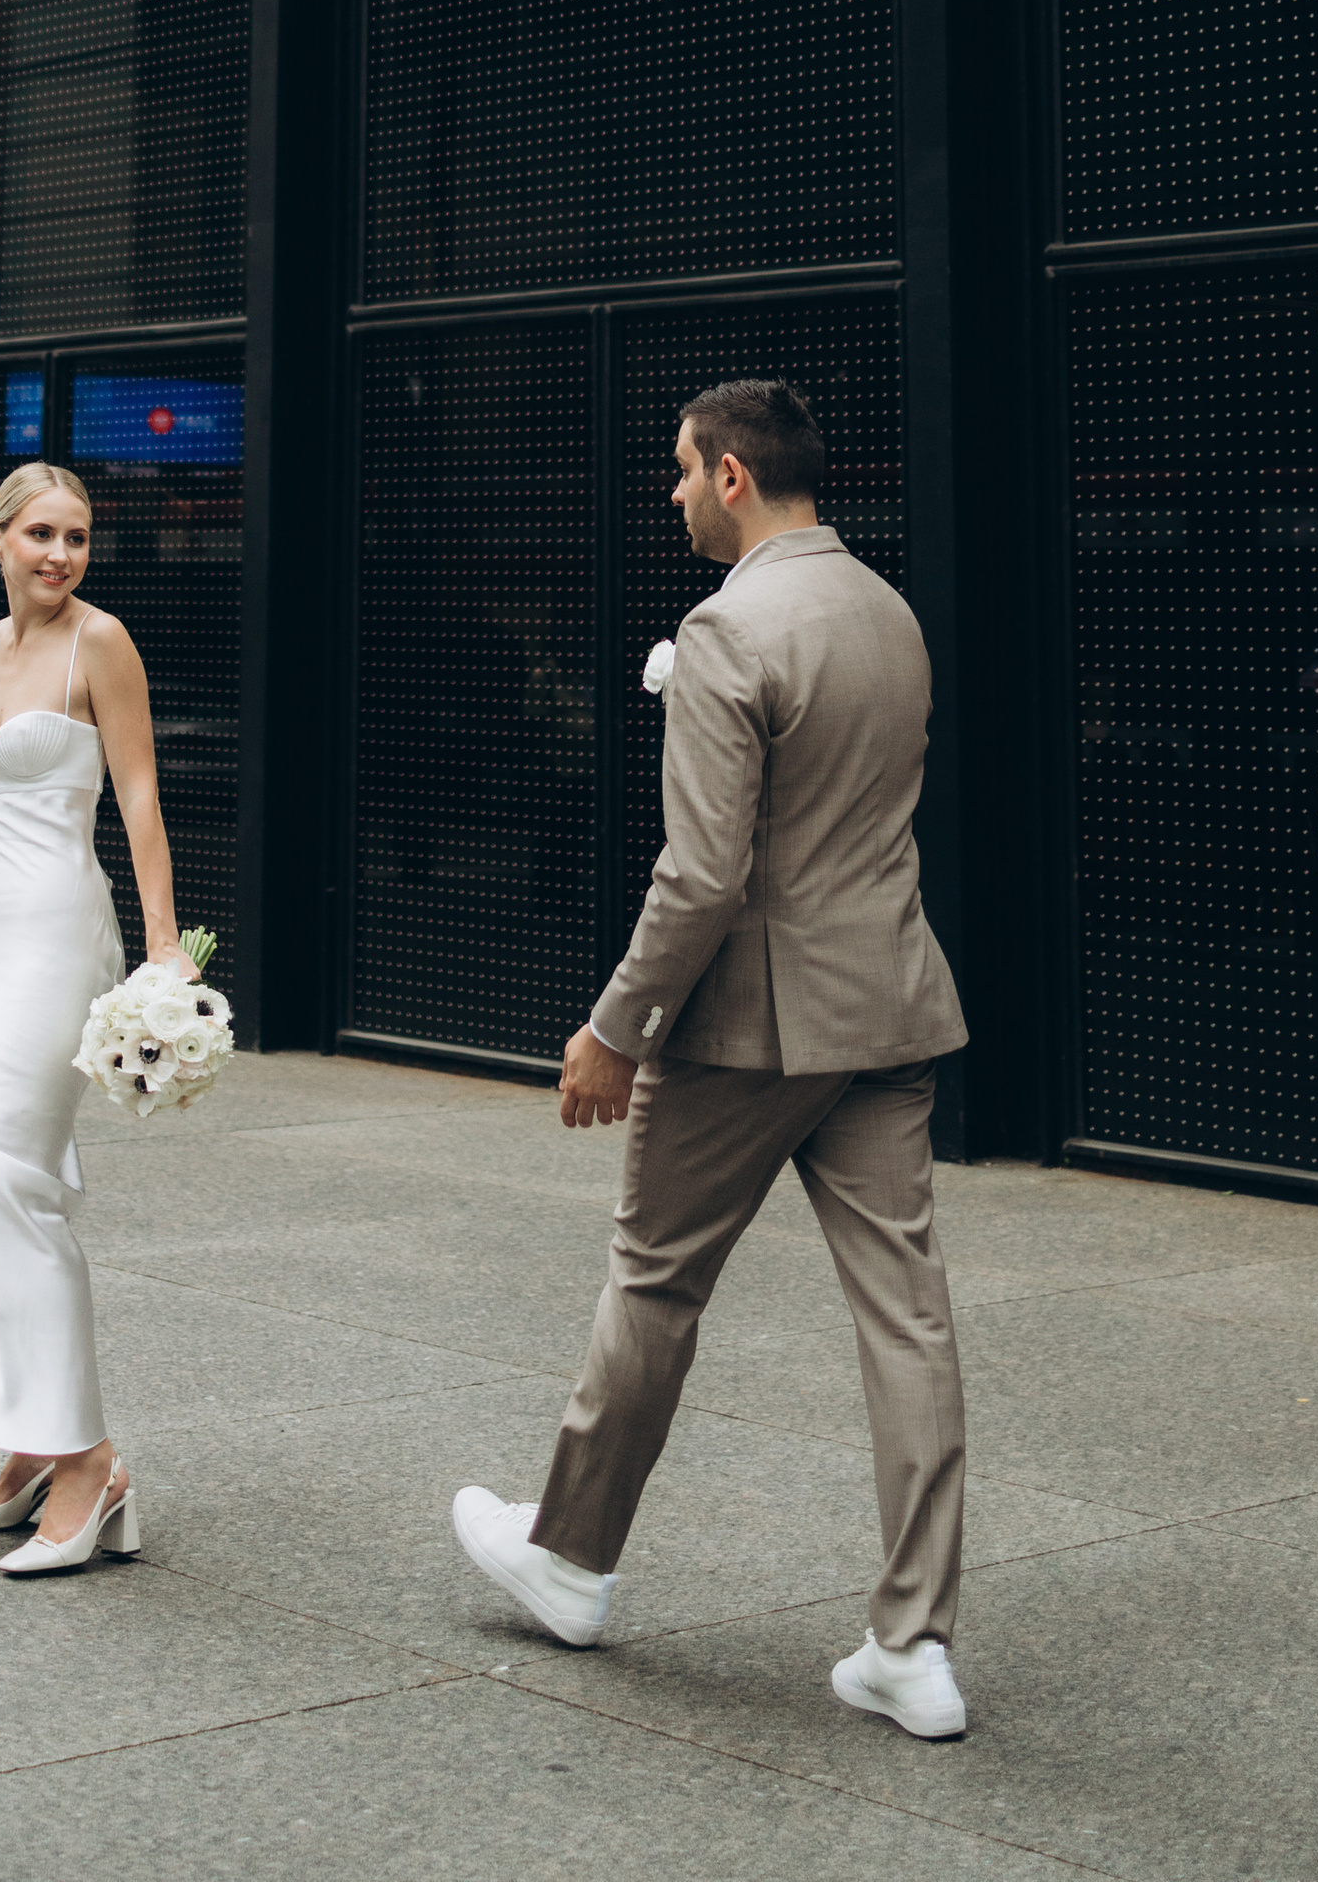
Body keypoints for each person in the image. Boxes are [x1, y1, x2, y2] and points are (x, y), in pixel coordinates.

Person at [453, 378, 973, 1741]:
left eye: (682, 471)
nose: (674, 492)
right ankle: (914, 1644)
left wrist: (612, 1029)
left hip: (751, 1025)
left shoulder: (729, 627)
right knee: (909, 1319)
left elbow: (700, 877)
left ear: (732, 475)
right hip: (888, 1008)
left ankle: (570, 1562)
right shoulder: (889, 611)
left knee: (655, 1280)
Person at [0, 458, 187, 1577]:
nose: (60, 555)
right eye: (40, 534)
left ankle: (90, 1461)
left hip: (57, 943)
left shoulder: (101, 643)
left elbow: (138, 792)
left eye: (76, 537)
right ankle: (33, 1437)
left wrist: (165, 947)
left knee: (18, 1186)